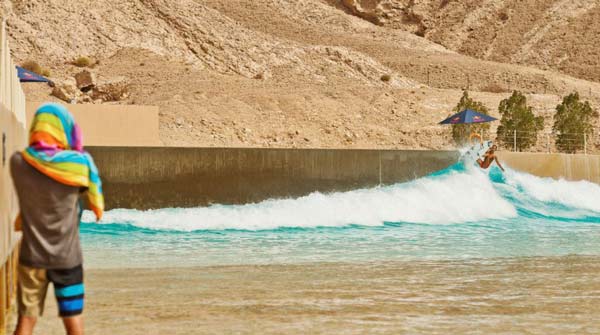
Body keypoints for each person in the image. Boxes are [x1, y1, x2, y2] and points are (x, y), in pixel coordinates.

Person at [10, 103, 104, 335]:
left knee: (25, 323)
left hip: (32, 258)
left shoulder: (18, 162)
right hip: (68, 261)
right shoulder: (78, 166)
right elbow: (89, 199)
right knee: (74, 326)